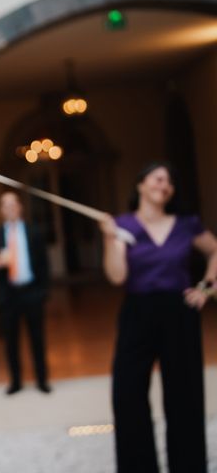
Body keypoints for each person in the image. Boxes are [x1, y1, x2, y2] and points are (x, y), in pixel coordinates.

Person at [99, 162, 217, 473]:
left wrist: (206, 289)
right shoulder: (122, 225)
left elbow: (215, 251)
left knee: (184, 394)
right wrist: (110, 240)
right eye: (158, 178)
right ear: (140, 184)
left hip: (179, 313)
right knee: (128, 393)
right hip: (137, 311)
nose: (165, 185)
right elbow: (116, 276)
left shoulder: (187, 223)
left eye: (170, 182)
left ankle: (188, 465)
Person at [0, 191, 50, 395]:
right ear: (0, 211)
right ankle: (16, 381)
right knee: (11, 341)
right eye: (6, 205)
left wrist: (43, 292)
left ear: (20, 207)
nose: (10, 208)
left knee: (37, 338)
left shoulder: (34, 232)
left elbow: (44, 263)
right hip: (9, 294)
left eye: (14, 204)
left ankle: (42, 380)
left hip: (31, 291)